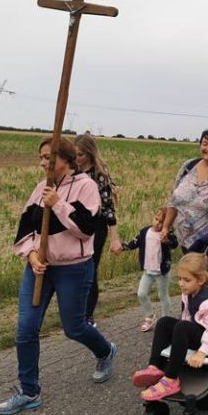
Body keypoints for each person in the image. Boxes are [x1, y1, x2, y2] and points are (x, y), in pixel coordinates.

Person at [0, 137, 117, 415]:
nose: (43, 163)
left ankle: (106, 352)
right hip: (40, 268)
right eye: (41, 158)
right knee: (26, 328)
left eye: (48, 157)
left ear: (66, 158)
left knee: (73, 328)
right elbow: (25, 228)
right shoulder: (41, 188)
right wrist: (33, 256)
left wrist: (59, 203)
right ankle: (29, 391)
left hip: (74, 268)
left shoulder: (86, 186)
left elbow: (87, 229)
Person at [130, 253, 208, 401]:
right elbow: (187, 315)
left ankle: (171, 380)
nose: (181, 283)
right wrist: (179, 337)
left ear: (201, 280)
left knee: (182, 327)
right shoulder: (189, 292)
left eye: (186, 280)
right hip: (199, 332)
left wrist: (202, 352)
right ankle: (155, 367)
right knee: (164, 322)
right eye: (179, 278)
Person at [74, 133, 122, 328]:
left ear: (89, 154)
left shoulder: (99, 174)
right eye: (74, 154)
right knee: (75, 268)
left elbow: (109, 207)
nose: (76, 158)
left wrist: (115, 238)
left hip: (96, 226)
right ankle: (76, 310)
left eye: (80, 155)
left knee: (90, 269)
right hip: (75, 224)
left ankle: (88, 316)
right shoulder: (72, 172)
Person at [122, 208, 178, 332]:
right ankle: (150, 316)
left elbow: (174, 244)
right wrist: (122, 247)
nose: (157, 223)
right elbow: (134, 243)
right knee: (141, 294)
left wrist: (167, 240)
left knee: (162, 295)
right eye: (156, 219)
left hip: (161, 272)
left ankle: (165, 320)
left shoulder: (167, 234)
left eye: (161, 222)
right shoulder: (144, 232)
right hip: (148, 270)